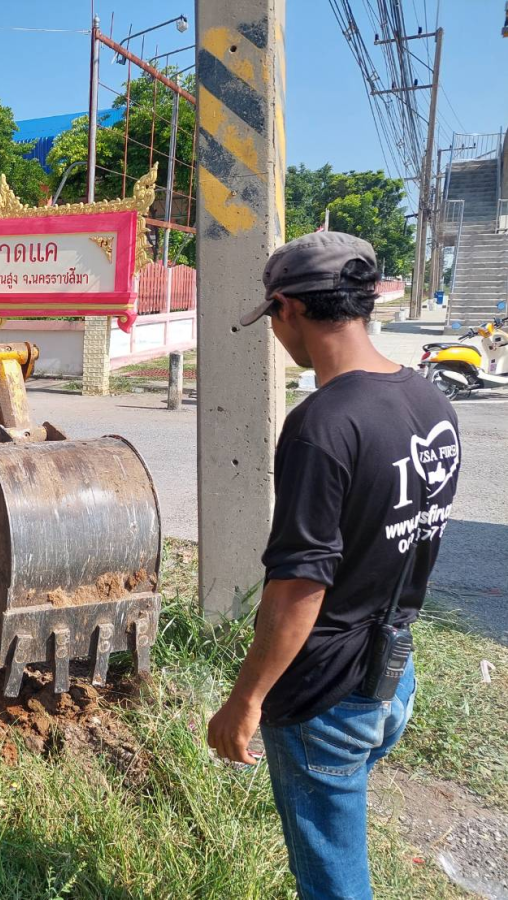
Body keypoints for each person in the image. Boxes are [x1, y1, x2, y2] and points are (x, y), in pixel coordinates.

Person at [206, 231, 461, 900]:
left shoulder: (322, 424)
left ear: (288, 309)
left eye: (274, 319)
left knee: (333, 882)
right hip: (392, 680)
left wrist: (245, 700)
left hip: (326, 695)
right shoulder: (431, 402)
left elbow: (299, 588)